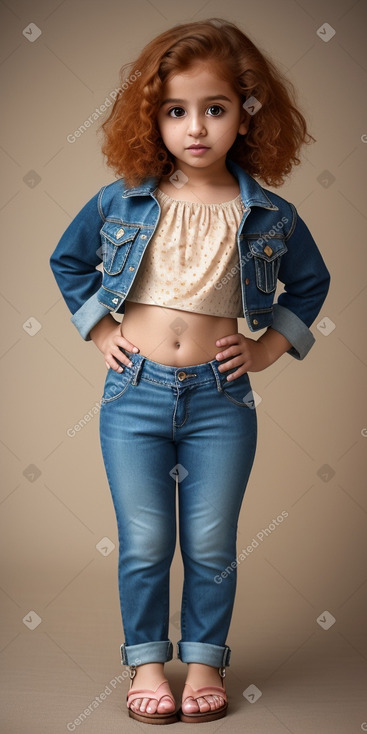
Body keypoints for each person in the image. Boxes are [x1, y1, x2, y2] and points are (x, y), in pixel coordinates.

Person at [50, 17, 330, 725]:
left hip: (219, 399)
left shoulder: (267, 214)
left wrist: (267, 348)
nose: (195, 127)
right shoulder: (124, 199)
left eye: (214, 109)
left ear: (246, 114)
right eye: (176, 111)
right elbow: (68, 261)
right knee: (145, 541)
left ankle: (204, 660)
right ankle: (147, 663)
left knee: (210, 542)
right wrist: (99, 330)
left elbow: (311, 286)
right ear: (154, 117)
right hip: (133, 394)